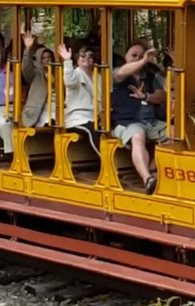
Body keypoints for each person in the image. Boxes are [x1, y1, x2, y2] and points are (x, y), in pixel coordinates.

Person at [111, 41, 166, 194]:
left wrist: (146, 96)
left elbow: (162, 96)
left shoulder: (150, 76)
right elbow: (122, 73)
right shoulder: (117, 73)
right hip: (127, 122)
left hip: (151, 122)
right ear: (125, 57)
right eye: (133, 55)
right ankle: (147, 179)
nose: (137, 58)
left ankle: (152, 168)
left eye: (141, 56)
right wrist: (143, 60)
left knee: (178, 133)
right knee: (137, 136)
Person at [57, 42, 101, 159]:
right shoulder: (76, 73)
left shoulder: (99, 76)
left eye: (90, 56)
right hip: (78, 118)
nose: (87, 58)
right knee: (93, 131)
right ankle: (106, 162)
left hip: (97, 117)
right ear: (77, 58)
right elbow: (70, 81)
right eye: (83, 56)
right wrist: (67, 60)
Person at [20, 32, 54, 128]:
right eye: (43, 58)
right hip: (39, 111)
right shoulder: (35, 74)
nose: (47, 60)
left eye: (49, 57)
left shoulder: (58, 73)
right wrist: (27, 49)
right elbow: (26, 67)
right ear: (39, 60)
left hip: (57, 108)